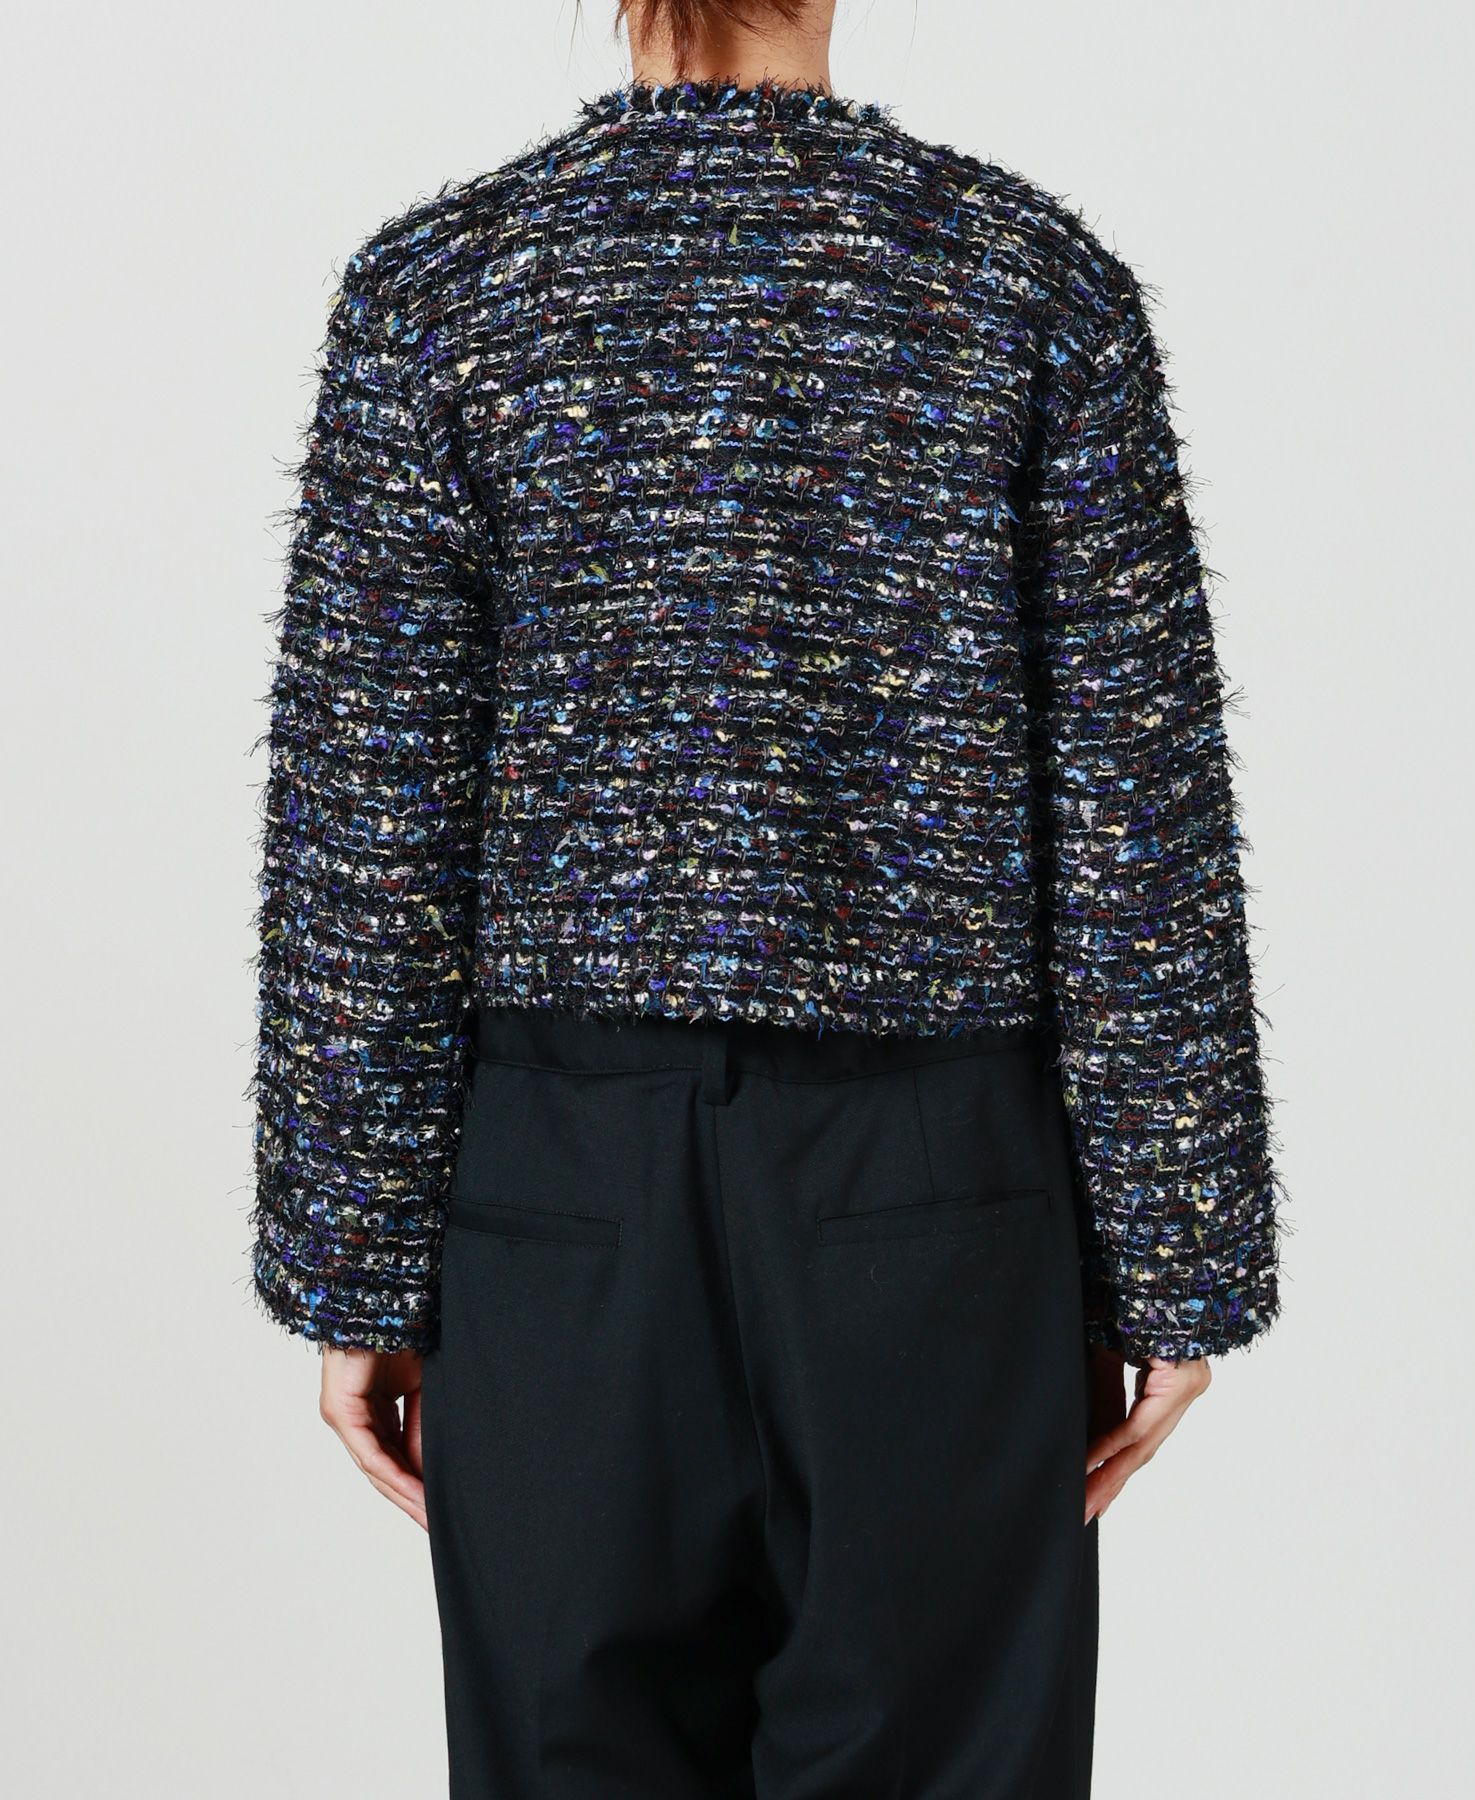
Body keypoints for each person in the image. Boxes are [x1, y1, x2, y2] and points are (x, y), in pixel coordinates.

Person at [248, 1, 1283, 1793]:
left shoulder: (442, 292)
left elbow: (368, 826)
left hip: (561, 1196)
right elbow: (1137, 809)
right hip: (934, 1192)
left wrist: (355, 1261)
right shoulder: (1023, 284)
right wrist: (1176, 1254)